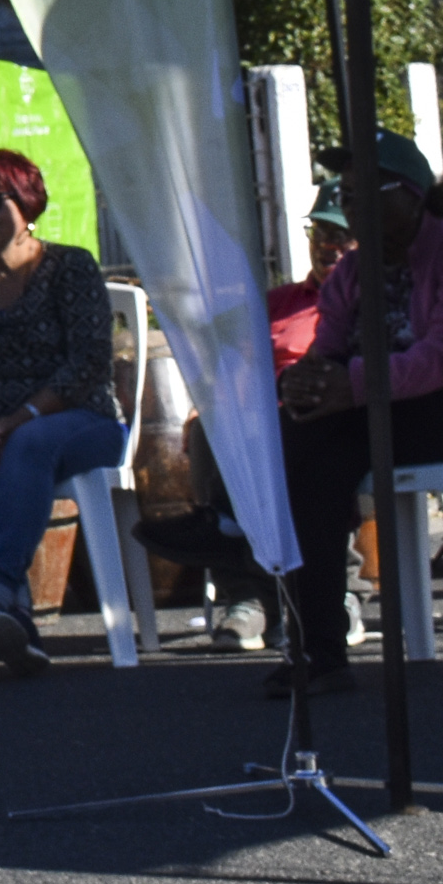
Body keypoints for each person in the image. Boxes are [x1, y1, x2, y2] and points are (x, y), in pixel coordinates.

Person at [165, 132, 443, 698]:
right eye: (346, 194)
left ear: (415, 195)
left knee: (322, 437)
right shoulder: (351, 274)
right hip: (373, 407)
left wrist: (345, 385)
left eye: (369, 190)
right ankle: (320, 651)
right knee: (314, 462)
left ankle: (234, 526)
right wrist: (304, 381)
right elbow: (328, 349)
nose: (352, 205)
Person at [0, 148, 125, 678]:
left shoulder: (70, 267)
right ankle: (13, 616)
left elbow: (89, 364)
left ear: (26, 202)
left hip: (81, 420)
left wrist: (22, 416)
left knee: (31, 443)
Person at [139, 180, 355, 653]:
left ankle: (275, 572)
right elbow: (231, 358)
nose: (329, 248)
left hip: (324, 414)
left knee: (271, 440)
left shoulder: (359, 304)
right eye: (320, 236)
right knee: (211, 429)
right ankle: (247, 591)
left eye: (341, 238)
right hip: (262, 412)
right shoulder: (278, 302)